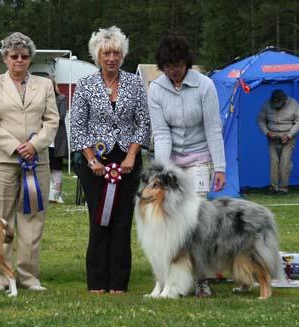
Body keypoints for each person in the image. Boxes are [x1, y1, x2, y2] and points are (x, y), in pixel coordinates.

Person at [70, 26, 151, 294]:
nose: (111, 58)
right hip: (96, 163)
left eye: (116, 52)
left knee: (122, 221)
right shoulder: (85, 85)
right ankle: (96, 281)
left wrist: (131, 155)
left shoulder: (135, 83)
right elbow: (78, 126)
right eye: (106, 53)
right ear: (97, 55)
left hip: (127, 161)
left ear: (123, 55)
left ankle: (119, 282)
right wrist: (91, 159)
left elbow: (143, 123)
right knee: (98, 220)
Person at [0, 32, 59, 292]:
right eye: (14, 56)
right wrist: (16, 147)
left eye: (24, 56)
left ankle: (28, 276)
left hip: (38, 162)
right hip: (1, 161)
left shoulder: (45, 85)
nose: (19, 61)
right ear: (5, 58)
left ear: (30, 59)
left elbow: (52, 121)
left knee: (32, 220)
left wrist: (34, 145)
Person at [148, 33, 226, 297]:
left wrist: (220, 166)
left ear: (186, 63)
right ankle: (171, 275)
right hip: (172, 162)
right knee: (171, 225)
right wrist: (162, 170)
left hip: (200, 158)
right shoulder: (156, 89)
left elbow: (213, 128)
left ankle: (201, 279)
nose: (173, 71)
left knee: (196, 223)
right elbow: (161, 133)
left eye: (178, 65)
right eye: (168, 66)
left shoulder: (205, 86)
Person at [257, 89, 299, 195]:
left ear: (285, 100)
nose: (276, 105)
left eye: (279, 103)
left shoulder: (294, 104)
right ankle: (273, 187)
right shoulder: (266, 104)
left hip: (288, 137)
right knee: (274, 161)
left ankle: (283, 187)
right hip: (272, 138)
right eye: (274, 103)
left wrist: (289, 135)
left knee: (285, 161)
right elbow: (260, 120)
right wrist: (267, 132)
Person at [48, 77, 69, 204]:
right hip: (44, 140)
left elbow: (61, 116)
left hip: (57, 140)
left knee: (56, 168)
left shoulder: (61, 99)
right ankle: (48, 194)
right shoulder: (40, 100)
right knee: (45, 168)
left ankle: (56, 195)